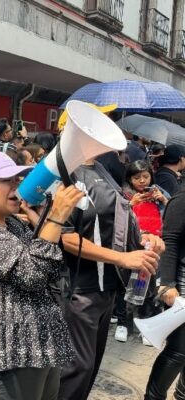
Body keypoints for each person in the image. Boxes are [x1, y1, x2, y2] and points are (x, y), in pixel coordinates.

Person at [0, 151, 83, 399]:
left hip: (41, 340)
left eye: (18, 180)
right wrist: (55, 217)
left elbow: (49, 264)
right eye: (7, 180)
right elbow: (32, 273)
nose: (16, 186)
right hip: (12, 347)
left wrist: (42, 214)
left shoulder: (13, 223)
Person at [58, 155, 164, 400]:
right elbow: (66, 237)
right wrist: (122, 259)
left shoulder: (104, 168)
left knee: (89, 367)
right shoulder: (66, 171)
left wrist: (145, 240)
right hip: (78, 289)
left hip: (108, 288)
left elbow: (116, 222)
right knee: (75, 369)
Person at [113, 160, 167, 344]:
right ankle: (123, 323)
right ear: (129, 178)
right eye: (137, 177)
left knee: (148, 285)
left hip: (154, 244)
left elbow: (171, 212)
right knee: (125, 283)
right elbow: (116, 218)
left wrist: (163, 200)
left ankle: (145, 323)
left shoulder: (157, 192)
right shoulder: (123, 195)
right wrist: (130, 203)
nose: (142, 181)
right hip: (132, 245)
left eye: (145, 176)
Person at [144, 189, 185, 399]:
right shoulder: (181, 201)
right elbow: (170, 241)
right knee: (179, 351)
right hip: (183, 291)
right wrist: (167, 284)